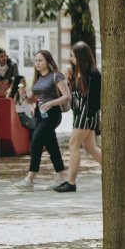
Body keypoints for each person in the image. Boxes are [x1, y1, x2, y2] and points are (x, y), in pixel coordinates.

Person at [13, 50, 71, 190]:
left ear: (48, 61)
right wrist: (23, 94)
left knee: (36, 139)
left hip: (52, 114)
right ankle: (62, 174)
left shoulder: (56, 76)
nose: (37, 63)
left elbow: (67, 96)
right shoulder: (38, 78)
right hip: (40, 114)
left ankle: (30, 179)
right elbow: (29, 99)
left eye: (40, 60)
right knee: (51, 145)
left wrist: (50, 103)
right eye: (36, 61)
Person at [55, 42, 103, 193]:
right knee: (89, 147)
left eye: (73, 55)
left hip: (87, 115)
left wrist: (88, 117)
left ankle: (71, 182)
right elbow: (73, 95)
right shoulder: (78, 72)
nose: (71, 58)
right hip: (79, 114)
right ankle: (112, 169)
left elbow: (94, 98)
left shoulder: (93, 73)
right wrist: (69, 80)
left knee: (73, 144)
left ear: (80, 56)